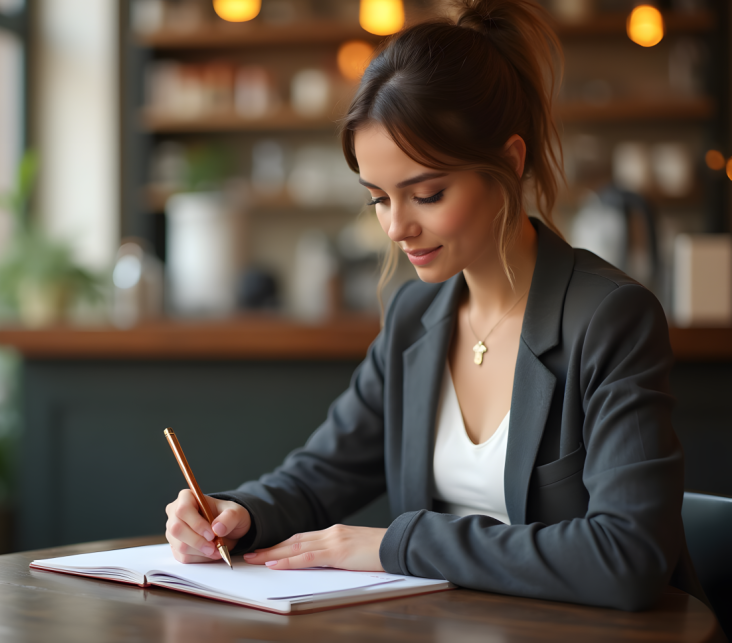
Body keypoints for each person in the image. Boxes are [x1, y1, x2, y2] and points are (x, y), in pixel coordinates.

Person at [165, 0, 706, 611]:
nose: (396, 228)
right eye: (377, 199)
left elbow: (626, 557)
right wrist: (237, 513)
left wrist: (398, 543)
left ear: (510, 160)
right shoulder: (414, 320)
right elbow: (322, 473)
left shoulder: (609, 319)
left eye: (426, 194)